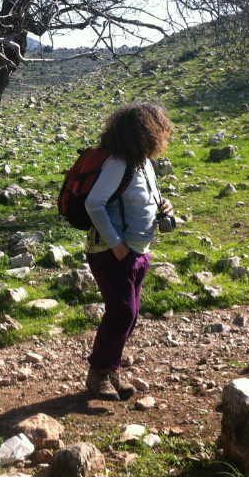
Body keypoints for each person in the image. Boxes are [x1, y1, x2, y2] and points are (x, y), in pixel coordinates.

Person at [83, 102, 174, 402]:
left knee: (128, 315)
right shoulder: (118, 164)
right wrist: (116, 244)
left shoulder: (144, 163)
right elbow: (93, 204)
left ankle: (111, 371)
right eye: (159, 128)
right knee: (123, 311)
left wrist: (165, 206)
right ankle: (98, 375)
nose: (164, 134)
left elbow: (145, 198)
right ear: (143, 131)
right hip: (111, 252)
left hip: (138, 250)